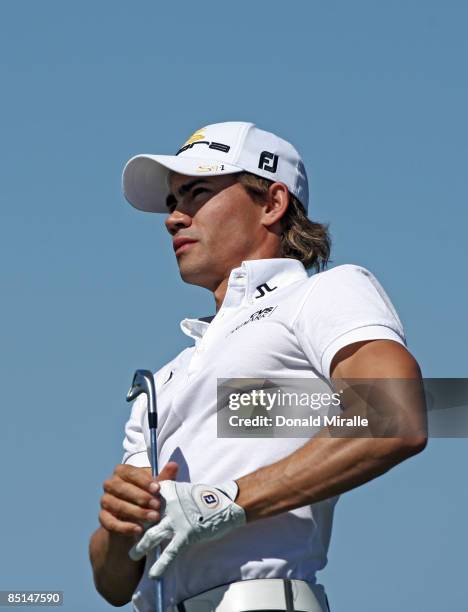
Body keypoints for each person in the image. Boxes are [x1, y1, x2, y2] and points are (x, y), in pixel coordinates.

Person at [89, 121, 427, 612]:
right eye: (171, 202)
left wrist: (223, 500)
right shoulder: (163, 378)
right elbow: (112, 584)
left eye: (196, 192)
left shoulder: (321, 293)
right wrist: (120, 526)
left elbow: (398, 415)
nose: (173, 218)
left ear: (272, 202)